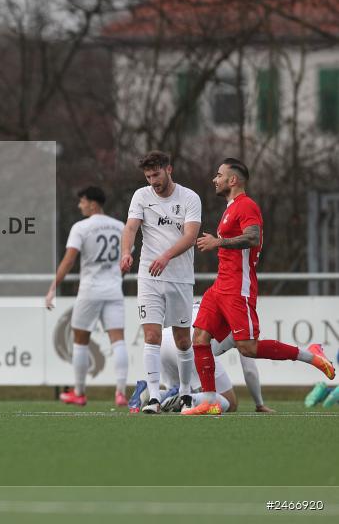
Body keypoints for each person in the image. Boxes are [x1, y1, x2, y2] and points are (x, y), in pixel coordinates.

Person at [187, 158, 334, 415]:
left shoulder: (247, 205)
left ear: (233, 180)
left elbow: (253, 236)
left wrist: (217, 243)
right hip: (220, 286)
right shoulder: (230, 207)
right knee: (199, 338)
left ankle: (311, 354)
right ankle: (209, 399)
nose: (215, 179)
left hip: (238, 287)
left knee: (248, 347)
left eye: (219, 175)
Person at [120, 151, 201, 414]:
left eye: (156, 174)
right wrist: (125, 252)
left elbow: (190, 236)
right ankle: (154, 396)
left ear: (169, 170)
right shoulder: (141, 196)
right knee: (151, 335)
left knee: (182, 340)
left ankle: (187, 392)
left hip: (179, 277)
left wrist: (166, 256)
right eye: (148, 176)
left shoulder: (189, 198)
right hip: (149, 275)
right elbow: (131, 228)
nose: (152, 181)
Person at [45, 187, 128, 406]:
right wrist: (116, 277)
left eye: (82, 201)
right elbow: (125, 261)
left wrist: (53, 286)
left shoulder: (81, 227)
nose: (79, 205)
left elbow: (69, 260)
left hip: (90, 289)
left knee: (80, 341)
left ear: (93, 204)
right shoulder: (120, 227)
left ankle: (79, 392)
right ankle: (121, 392)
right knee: (118, 340)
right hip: (113, 289)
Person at [159, 303, 274, 413]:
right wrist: (259, 404)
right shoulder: (240, 320)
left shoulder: (211, 299)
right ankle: (187, 398)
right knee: (230, 403)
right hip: (189, 346)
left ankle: (153, 395)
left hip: (164, 341)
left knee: (178, 389)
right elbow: (249, 370)